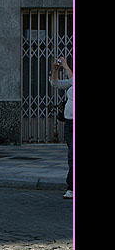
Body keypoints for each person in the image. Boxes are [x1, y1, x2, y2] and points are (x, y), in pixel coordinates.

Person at [50, 56, 73, 199]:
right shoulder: (72, 80)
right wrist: (55, 70)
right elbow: (55, 83)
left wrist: (65, 65)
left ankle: (71, 187)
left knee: (72, 156)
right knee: (71, 155)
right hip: (69, 122)